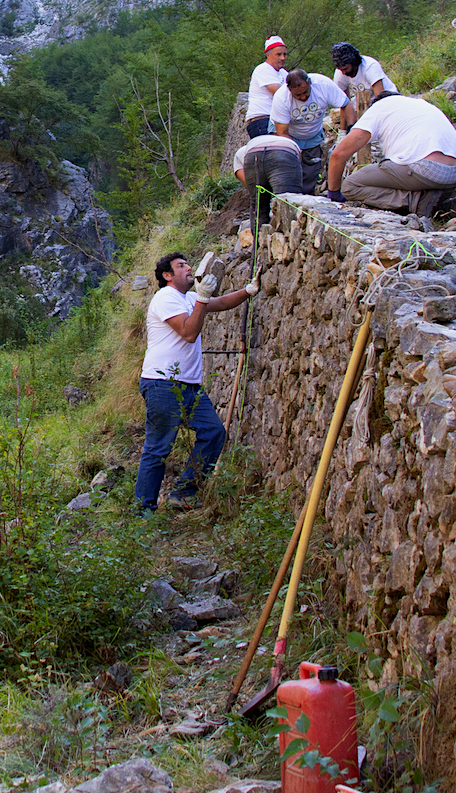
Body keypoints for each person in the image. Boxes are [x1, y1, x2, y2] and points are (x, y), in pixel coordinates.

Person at [137, 251, 256, 513]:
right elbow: (189, 333)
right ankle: (144, 510)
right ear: (167, 276)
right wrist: (202, 298)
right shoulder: (165, 298)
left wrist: (248, 290)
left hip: (189, 384)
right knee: (158, 448)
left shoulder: (188, 298)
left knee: (214, 432)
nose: (188, 268)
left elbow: (222, 303)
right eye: (181, 266)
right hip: (163, 382)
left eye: (188, 264)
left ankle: (183, 492)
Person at [325, 94, 456, 222]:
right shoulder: (419, 104)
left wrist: (334, 193)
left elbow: (339, 154)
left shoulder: (380, 107)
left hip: (425, 169)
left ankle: (415, 201)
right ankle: (443, 202)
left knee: (351, 186)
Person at [270, 68, 352, 191]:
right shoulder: (281, 98)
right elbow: (282, 133)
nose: (303, 97)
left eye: (306, 92)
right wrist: (297, 150)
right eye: (298, 95)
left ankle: (307, 197)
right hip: (287, 134)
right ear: (289, 90)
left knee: (311, 169)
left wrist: (351, 130)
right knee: (288, 168)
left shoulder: (323, 85)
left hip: (312, 132)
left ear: (309, 83)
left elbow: (346, 105)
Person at [232, 131, 302, 227]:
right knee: (287, 202)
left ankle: (258, 240)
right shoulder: (289, 143)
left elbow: (249, 186)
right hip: (285, 151)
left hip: (252, 154)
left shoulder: (240, 154)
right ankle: (287, 237)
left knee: (258, 205)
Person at [244, 36, 289, 138]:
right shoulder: (263, 69)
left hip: (275, 120)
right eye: (278, 54)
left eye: (284, 54)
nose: (282, 57)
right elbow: (280, 92)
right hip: (262, 119)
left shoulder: (283, 73)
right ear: (268, 54)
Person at [330, 42, 399, 104]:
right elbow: (344, 103)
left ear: (354, 62)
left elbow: (380, 99)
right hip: (363, 105)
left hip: (388, 101)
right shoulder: (340, 74)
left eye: (346, 69)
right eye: (340, 69)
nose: (343, 72)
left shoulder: (370, 67)